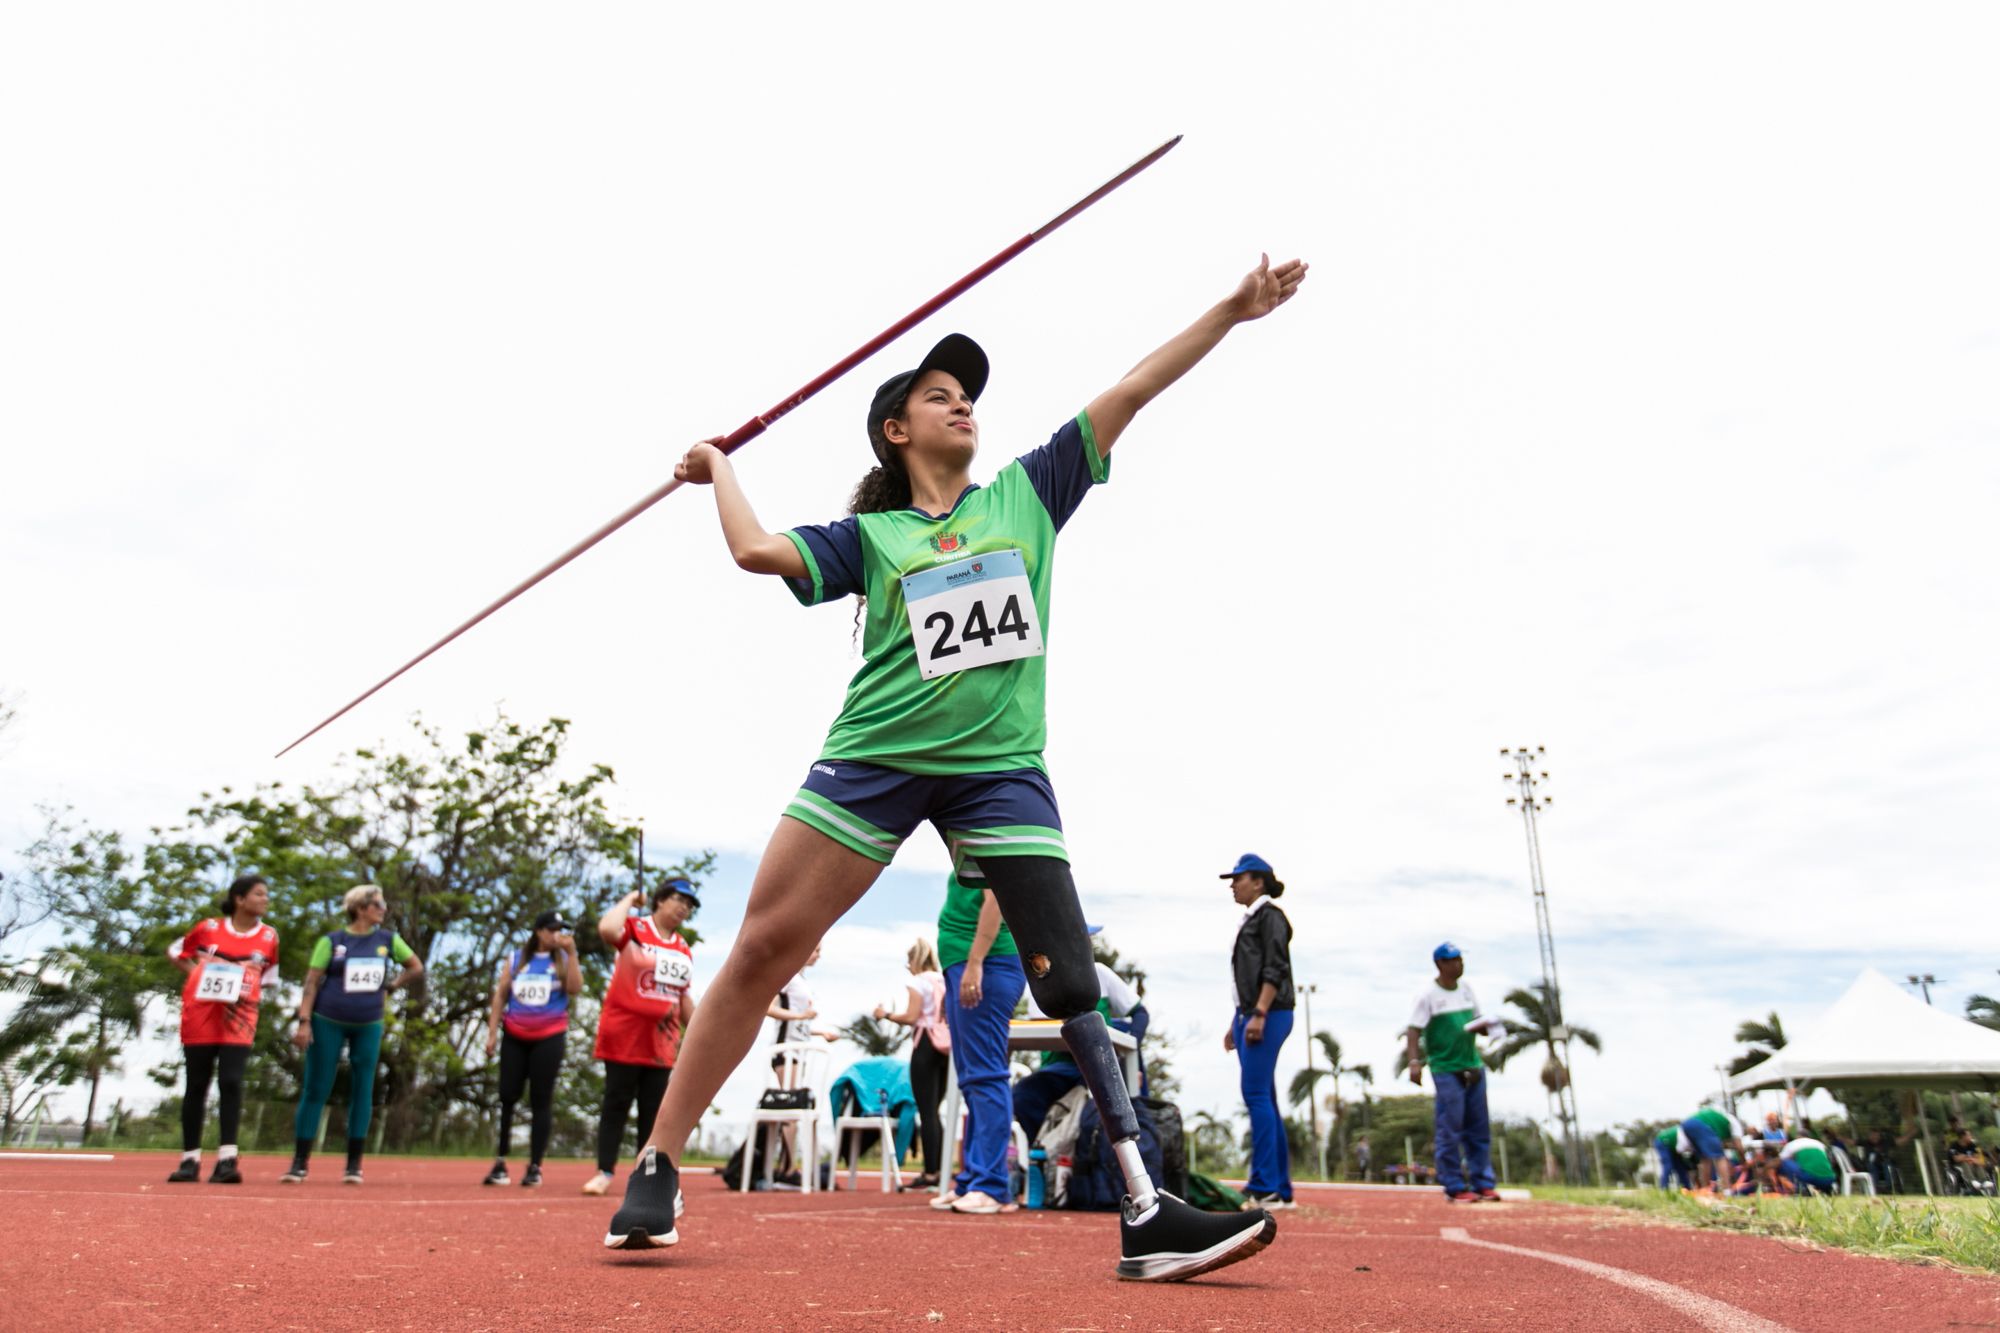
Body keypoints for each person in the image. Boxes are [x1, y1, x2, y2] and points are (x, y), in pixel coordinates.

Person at [606, 252, 1308, 1283]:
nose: (963, 406)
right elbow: (755, 551)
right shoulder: (873, 534)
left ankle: (1147, 1213)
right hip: (876, 757)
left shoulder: (1027, 493)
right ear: (897, 429)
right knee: (763, 946)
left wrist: (1230, 311)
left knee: (1071, 979)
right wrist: (718, 468)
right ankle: (658, 1163)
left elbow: (1132, 388)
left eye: (969, 396)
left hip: (998, 768)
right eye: (941, 396)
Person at [280, 885, 423, 1185]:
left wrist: (392, 986)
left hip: (368, 1023)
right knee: (317, 1087)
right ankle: (299, 1163)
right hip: (327, 1020)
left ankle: (354, 1165)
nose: (383, 909)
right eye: (378, 904)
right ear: (360, 908)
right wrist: (304, 1021)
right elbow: (312, 981)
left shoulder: (387, 940)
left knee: (363, 1088)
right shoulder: (332, 941)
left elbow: (415, 966)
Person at [581, 877, 698, 1197]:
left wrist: (701, 1032)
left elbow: (682, 997)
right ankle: (604, 1171)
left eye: (689, 905)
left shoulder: (683, 947)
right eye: (679, 899)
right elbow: (607, 930)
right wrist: (630, 899)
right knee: (616, 1102)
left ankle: (644, 1175)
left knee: (654, 1111)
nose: (683, 908)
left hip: (662, 1042)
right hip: (624, 1035)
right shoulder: (636, 928)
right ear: (660, 900)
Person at [165, 874, 280, 1183]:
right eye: (259, 894)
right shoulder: (208, 928)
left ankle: (227, 1160)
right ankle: (189, 1160)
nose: (265, 899)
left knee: (231, 1082)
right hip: (200, 1015)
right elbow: (177, 952)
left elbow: (266, 979)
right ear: (239, 899)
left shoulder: (269, 937)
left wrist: (240, 989)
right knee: (196, 1084)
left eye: (266, 894)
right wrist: (196, 975)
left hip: (239, 1020)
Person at [931, 870, 1026, 1214]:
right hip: (965, 966)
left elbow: (995, 899)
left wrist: (974, 963)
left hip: (988, 963)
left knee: (985, 1076)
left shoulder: (985, 831)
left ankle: (992, 1185)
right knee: (972, 1080)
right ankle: (973, 1180)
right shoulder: (963, 843)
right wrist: (954, 975)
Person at [481, 909, 583, 1187]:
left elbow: (575, 989)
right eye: (551, 930)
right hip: (514, 1034)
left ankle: (535, 1166)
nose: (556, 935)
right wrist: (492, 1033)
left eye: (560, 930)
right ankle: (501, 1162)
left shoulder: (562, 959)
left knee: (541, 1099)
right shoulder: (516, 959)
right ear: (538, 931)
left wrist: (572, 954)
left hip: (549, 1037)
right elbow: (501, 994)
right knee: (507, 1095)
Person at [1013, 931, 1146, 1143]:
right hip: (1060, 1066)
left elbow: (1140, 1013)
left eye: (1089, 938)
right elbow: (1042, 1033)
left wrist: (1132, 1056)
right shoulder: (1040, 983)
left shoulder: (1100, 973)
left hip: (1103, 1061)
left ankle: (1111, 1161)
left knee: (1118, 1094)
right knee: (1023, 1096)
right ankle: (1045, 1152)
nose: (1089, 943)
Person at [1222, 854, 1295, 1211]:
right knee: (1265, 1096)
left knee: (1254, 1093)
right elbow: (1246, 978)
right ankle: (1280, 1187)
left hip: (1270, 1012)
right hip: (1251, 1014)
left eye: (1239, 878)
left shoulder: (1271, 917)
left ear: (1259, 882)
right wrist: (1236, 1021)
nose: (1233, 885)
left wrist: (1260, 1013)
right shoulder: (1251, 917)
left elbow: (1275, 968)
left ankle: (1264, 1186)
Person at [1406, 942, 1502, 1203]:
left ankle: (1483, 1182)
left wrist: (1490, 1027)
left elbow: (1476, 1022)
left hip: (1473, 1064)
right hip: (1446, 1068)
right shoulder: (1427, 994)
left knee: (1479, 1129)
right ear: (1440, 964)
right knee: (1450, 1129)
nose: (1459, 964)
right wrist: (1414, 1062)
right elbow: (1413, 1029)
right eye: (1453, 960)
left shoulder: (1467, 989)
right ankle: (1455, 1185)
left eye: (1460, 959)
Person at [872, 938, 951, 1191]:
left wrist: (885, 1015)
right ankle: (940, 1171)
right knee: (935, 1111)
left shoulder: (917, 981)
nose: (908, 966)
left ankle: (929, 1174)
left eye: (909, 961)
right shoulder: (943, 979)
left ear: (915, 960)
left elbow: (911, 1016)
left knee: (926, 1111)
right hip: (948, 1046)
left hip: (926, 1045)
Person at [1678, 1102, 1747, 1195]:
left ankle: (1706, 1189)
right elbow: (1739, 1147)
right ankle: (1727, 1190)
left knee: (1705, 1157)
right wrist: (1744, 1163)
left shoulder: (1721, 1120)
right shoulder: (1735, 1125)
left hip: (1687, 1125)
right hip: (1701, 1125)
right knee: (1719, 1156)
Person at [1655, 1124, 1694, 1191]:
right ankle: (1664, 1189)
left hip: (1675, 1147)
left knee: (1681, 1169)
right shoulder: (1692, 1136)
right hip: (1663, 1142)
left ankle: (1686, 1190)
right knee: (1668, 1167)